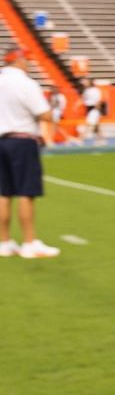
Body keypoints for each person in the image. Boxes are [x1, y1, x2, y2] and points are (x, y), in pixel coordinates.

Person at [0, 50, 60, 258]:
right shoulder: (26, 83)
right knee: (26, 191)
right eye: (26, 60)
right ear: (19, 60)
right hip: (22, 140)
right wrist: (51, 114)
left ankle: (4, 242)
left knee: (3, 193)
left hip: (1, 140)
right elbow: (43, 113)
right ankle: (29, 243)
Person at [80, 80, 102, 144]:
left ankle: (81, 138)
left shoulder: (95, 90)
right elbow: (83, 99)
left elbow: (98, 100)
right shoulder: (86, 90)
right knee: (95, 125)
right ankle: (100, 138)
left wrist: (97, 110)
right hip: (88, 108)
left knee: (88, 124)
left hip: (93, 108)